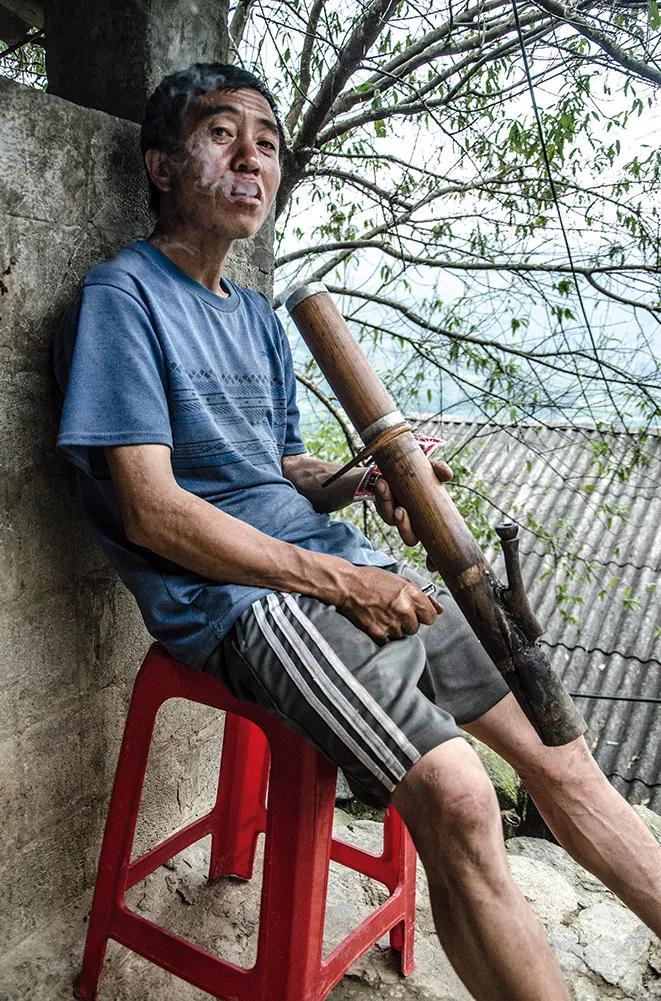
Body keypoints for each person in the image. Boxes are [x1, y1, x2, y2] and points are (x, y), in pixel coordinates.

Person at [52, 62, 660, 1001]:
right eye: (223, 135)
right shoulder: (122, 299)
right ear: (163, 166)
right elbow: (154, 510)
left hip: (340, 567)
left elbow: (279, 465)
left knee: (557, 749)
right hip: (246, 601)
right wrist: (341, 584)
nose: (254, 158)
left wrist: (362, 478)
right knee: (460, 800)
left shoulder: (252, 316)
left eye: (268, 142)